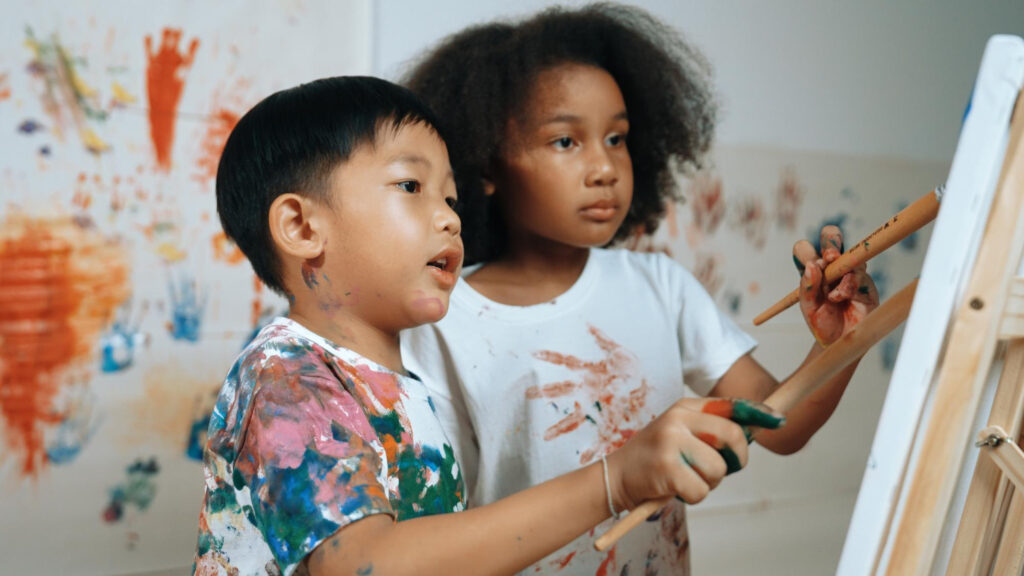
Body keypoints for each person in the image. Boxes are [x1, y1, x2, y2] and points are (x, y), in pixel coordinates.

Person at [192, 75, 783, 576]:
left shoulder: (399, 384)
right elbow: (367, 565)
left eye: (450, 198)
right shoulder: (285, 377)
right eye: (410, 187)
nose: (450, 219)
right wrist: (613, 481)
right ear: (301, 228)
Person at [400, 4, 879, 575]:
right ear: (485, 165)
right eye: (565, 141)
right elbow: (433, 529)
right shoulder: (442, 317)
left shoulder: (661, 287)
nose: (604, 167)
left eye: (617, 138)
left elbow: (781, 426)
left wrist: (843, 343)